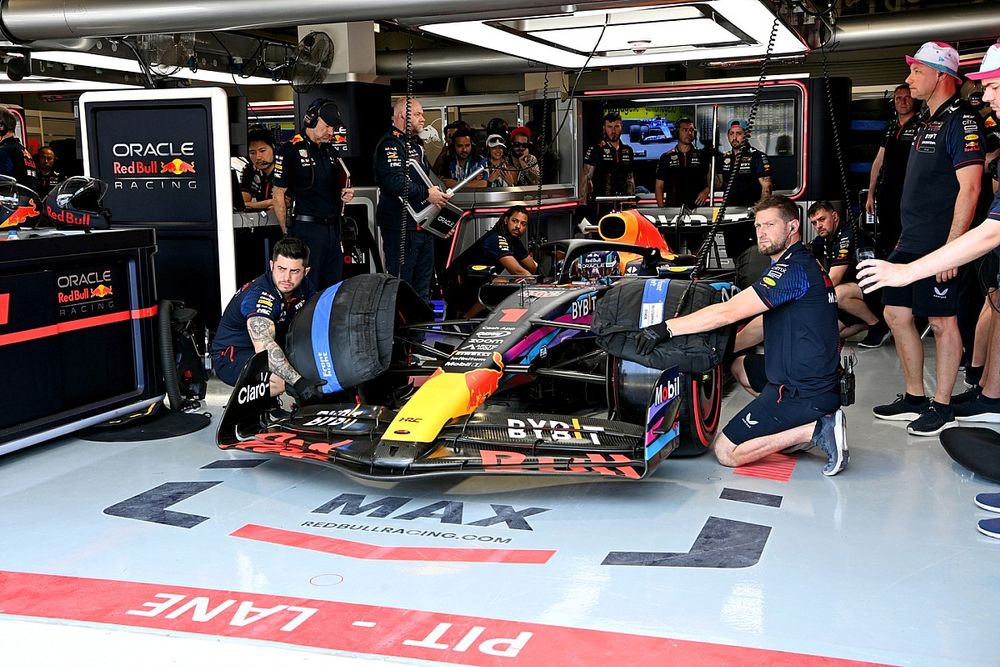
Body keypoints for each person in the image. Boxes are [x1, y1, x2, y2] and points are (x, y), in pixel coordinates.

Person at [635, 195, 847, 476]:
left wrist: (668, 328)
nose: (762, 232)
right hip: (812, 376)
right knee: (739, 365)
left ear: (793, 226)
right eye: (758, 225)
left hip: (802, 389)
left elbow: (728, 312)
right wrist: (722, 351)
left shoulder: (791, 269)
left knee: (726, 451)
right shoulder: (800, 261)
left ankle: (816, 429)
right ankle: (794, 426)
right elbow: (761, 323)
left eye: (770, 225)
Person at [859, 41, 1000, 427]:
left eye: (917, 71)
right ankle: (915, 396)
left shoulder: (963, 120)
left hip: (942, 242)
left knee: (942, 321)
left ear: (941, 76)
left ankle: (941, 406)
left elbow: (971, 189)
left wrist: (952, 249)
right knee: (895, 311)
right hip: (911, 239)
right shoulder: (925, 119)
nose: (908, 79)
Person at [211, 237, 323, 403]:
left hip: (266, 349)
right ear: (271, 266)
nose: (286, 278)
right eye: (281, 269)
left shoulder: (305, 287)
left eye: (294, 271)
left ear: (305, 272)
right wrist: (298, 382)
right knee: (279, 381)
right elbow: (264, 349)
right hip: (230, 356)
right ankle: (249, 411)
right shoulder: (259, 295)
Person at [272, 99, 354, 292]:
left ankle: (327, 322)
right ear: (311, 121)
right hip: (306, 228)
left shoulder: (330, 151)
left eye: (333, 127)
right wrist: (286, 233)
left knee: (334, 286)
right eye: (327, 126)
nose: (331, 132)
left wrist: (346, 193)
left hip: (333, 229)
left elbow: (337, 185)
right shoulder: (289, 149)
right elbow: (278, 193)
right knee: (308, 286)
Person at [374, 97, 451, 304]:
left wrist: (441, 222)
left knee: (422, 287)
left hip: (422, 228)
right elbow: (394, 183)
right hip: (401, 228)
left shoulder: (416, 147)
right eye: (417, 114)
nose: (423, 118)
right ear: (402, 116)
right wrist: (427, 193)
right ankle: (399, 336)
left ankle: (418, 336)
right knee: (402, 287)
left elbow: (430, 185)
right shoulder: (390, 145)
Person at [806, 201, 890, 347]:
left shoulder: (847, 235)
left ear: (834, 216)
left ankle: (878, 327)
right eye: (814, 223)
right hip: (858, 293)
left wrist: (807, 300)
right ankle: (880, 321)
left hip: (878, 289)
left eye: (822, 219)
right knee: (829, 334)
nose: (818, 226)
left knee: (836, 294)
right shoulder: (824, 240)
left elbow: (833, 279)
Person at [445, 205, 538, 317]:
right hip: (457, 286)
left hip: (477, 282)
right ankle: (463, 320)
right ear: (506, 220)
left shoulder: (513, 240)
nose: (518, 226)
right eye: (515, 221)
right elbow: (519, 271)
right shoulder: (495, 238)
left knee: (507, 283)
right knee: (502, 284)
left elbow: (532, 267)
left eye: (523, 224)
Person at [866, 84, 920, 257]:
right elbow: (878, 162)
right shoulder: (889, 127)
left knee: (908, 233)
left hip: (911, 191)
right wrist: (870, 193)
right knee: (888, 235)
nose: (903, 101)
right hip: (888, 191)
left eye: (907, 97)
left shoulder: (922, 125)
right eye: (898, 98)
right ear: (893, 102)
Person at [718, 119, 773, 287]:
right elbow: (718, 184)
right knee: (735, 253)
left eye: (739, 133)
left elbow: (767, 185)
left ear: (745, 135)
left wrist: (761, 212)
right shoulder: (725, 158)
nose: (735, 137)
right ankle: (741, 288)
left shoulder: (757, 156)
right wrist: (710, 161)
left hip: (750, 216)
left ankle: (756, 288)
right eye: (732, 133)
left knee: (752, 255)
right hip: (730, 216)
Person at [580, 111, 635, 218]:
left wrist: (631, 203)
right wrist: (583, 205)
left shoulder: (627, 150)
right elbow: (585, 178)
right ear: (604, 128)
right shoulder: (596, 149)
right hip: (601, 204)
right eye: (609, 127)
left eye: (616, 126)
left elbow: (630, 178)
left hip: (622, 204)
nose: (613, 130)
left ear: (621, 127)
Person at [654, 117, 711, 208]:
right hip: (673, 208)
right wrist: (661, 210)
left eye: (691, 130)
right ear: (677, 132)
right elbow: (659, 186)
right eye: (685, 130)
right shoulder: (666, 157)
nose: (689, 133)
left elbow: (713, 182)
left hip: (698, 209)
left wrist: (706, 191)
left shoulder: (702, 155)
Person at [0, 107, 38, 193]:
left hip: (11, 203)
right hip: (28, 201)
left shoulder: (4, 151)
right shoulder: (23, 150)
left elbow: (3, 183)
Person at [240, 128, 277, 211]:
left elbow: (280, 202)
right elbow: (243, 202)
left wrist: (252, 205)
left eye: (262, 151)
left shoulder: (284, 168)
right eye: (252, 153)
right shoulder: (250, 170)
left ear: (274, 149)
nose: (258, 157)